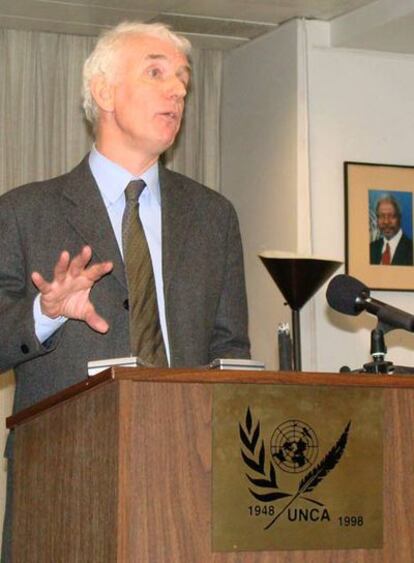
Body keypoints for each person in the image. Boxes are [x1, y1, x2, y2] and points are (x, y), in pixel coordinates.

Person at [0, 21, 250, 560]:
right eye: (156, 72)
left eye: (182, 79)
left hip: (192, 480)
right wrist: (44, 313)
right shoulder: (23, 212)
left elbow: (230, 352)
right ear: (104, 92)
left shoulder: (213, 216)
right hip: (64, 485)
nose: (178, 90)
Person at [369, 195, 413, 266]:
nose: (386, 222)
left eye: (391, 216)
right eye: (382, 216)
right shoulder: (371, 248)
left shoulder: (411, 249)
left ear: (399, 218)